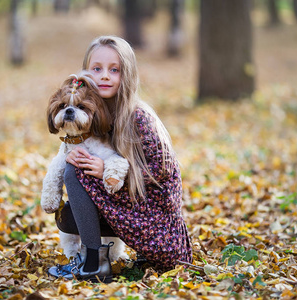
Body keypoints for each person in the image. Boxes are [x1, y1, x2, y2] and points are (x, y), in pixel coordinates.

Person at [48, 36, 192, 283]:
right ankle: (91, 257)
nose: (104, 76)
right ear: (85, 74)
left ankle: (94, 264)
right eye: (97, 69)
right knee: (69, 205)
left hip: (157, 224)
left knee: (75, 171)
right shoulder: (94, 113)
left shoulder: (138, 117)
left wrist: (107, 170)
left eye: (114, 70)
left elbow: (161, 174)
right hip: (128, 208)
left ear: (127, 75)